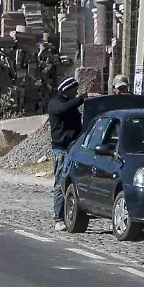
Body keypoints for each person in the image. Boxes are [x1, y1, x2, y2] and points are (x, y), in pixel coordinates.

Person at [46, 78, 85, 220]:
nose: (75, 94)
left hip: (73, 149)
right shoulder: (56, 103)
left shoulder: (69, 104)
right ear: (67, 90)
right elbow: (63, 109)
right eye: (74, 92)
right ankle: (58, 216)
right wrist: (82, 98)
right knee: (60, 183)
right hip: (61, 150)